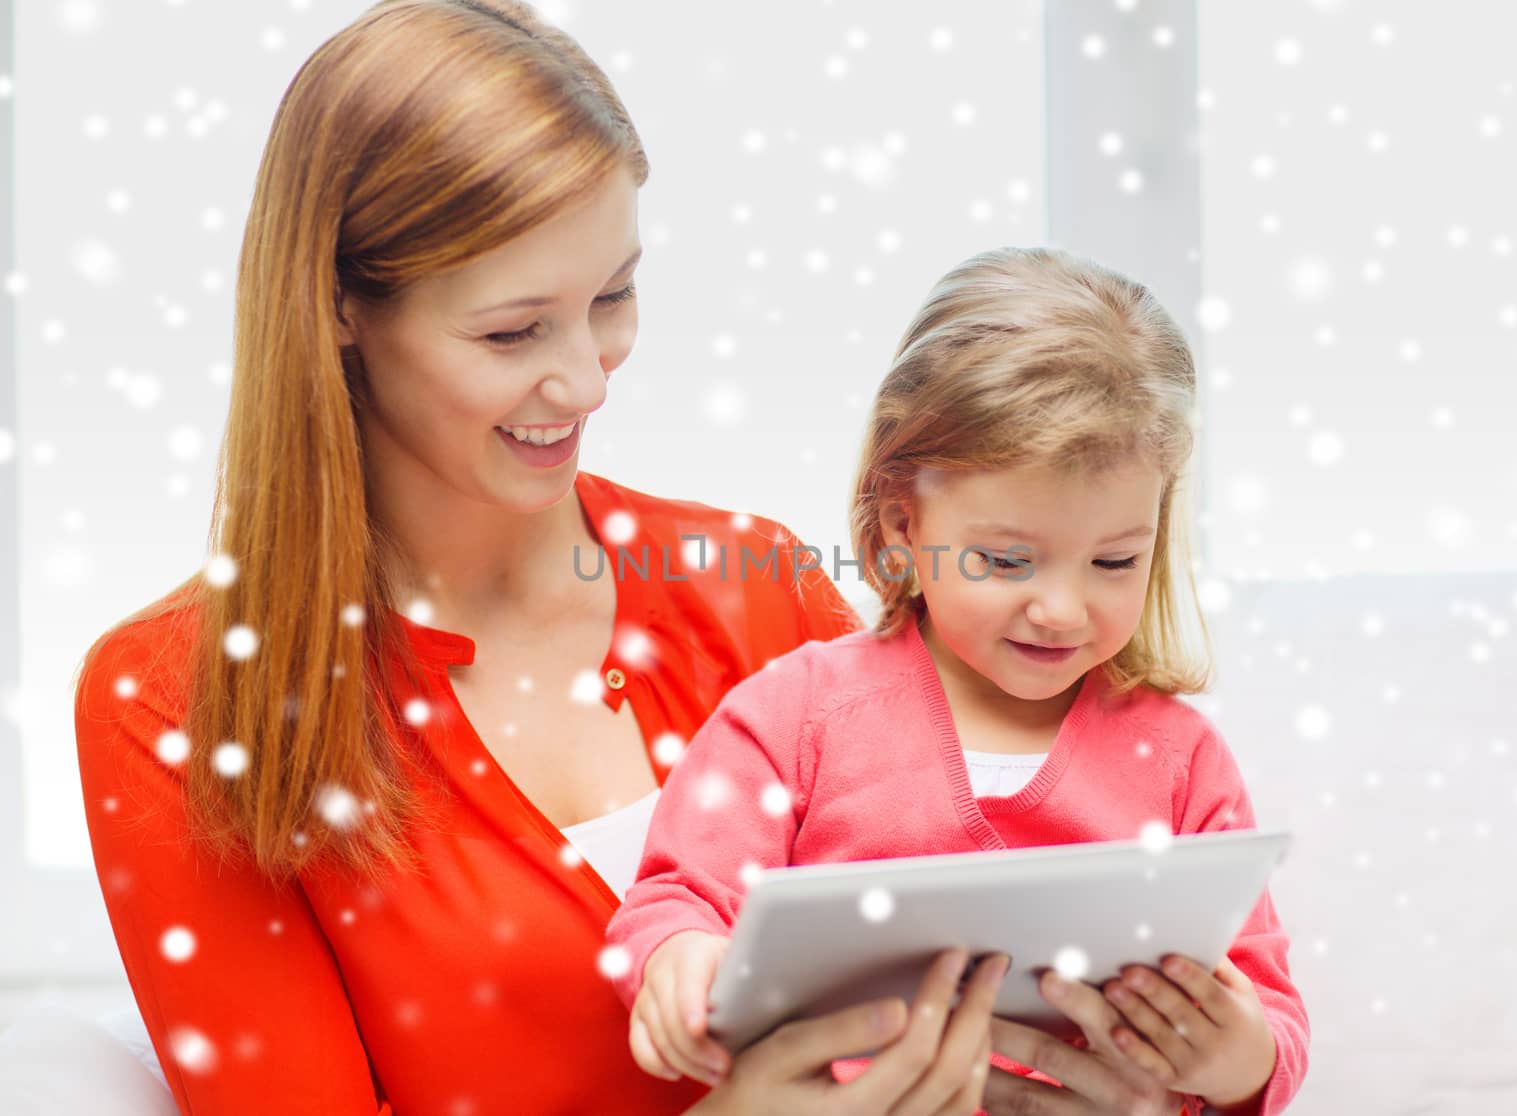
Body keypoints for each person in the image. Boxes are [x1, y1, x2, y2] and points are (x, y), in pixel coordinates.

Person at [71, 2, 1049, 1113]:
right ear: (339, 307)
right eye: (510, 332)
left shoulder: (761, 585)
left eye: (612, 298)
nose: (586, 381)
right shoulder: (177, 701)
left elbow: (990, 928)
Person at [607, 247, 1312, 1115]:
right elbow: (676, 899)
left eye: (1115, 560)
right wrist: (678, 962)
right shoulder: (793, 717)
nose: (1062, 608)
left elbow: (1270, 1017)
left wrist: (1235, 1057)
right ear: (904, 522)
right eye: (1009, 559)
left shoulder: (1179, 758)